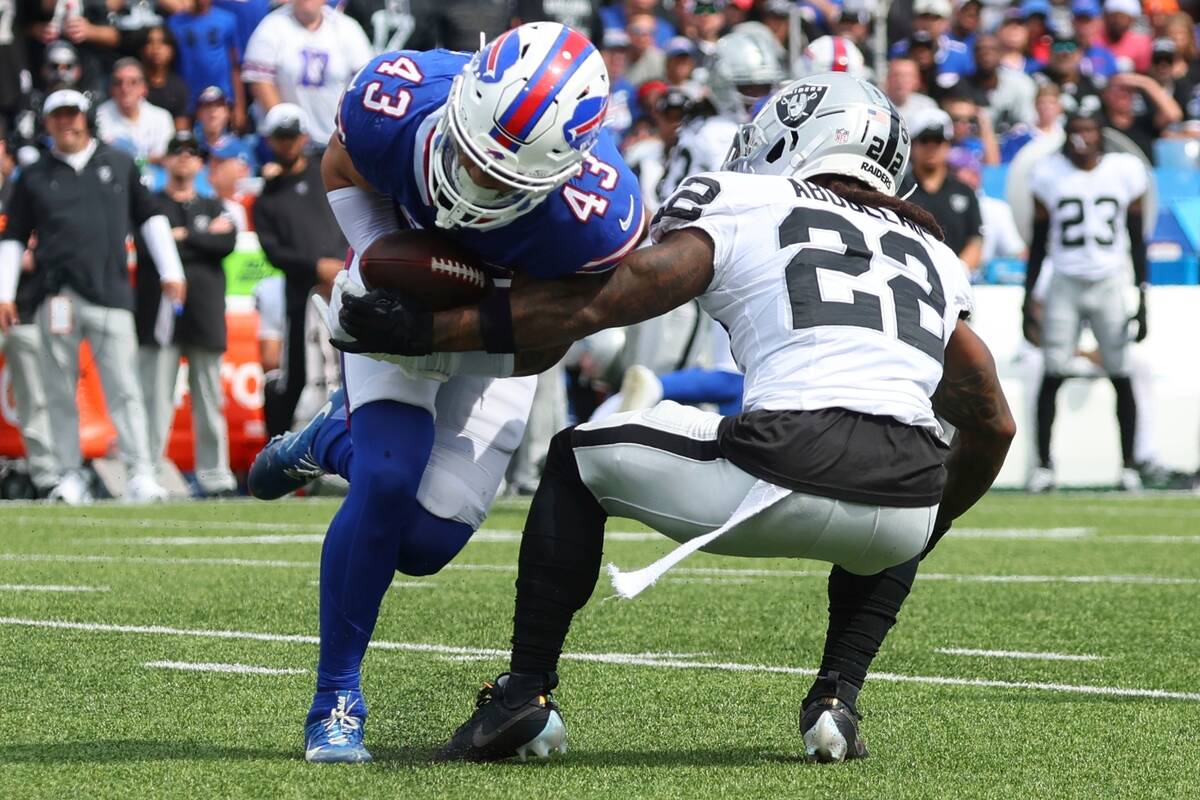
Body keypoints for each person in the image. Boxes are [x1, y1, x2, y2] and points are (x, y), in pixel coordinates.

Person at [330, 74, 1014, 763]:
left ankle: (524, 694)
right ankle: (837, 701)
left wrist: (432, 329)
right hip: (903, 501)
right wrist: (927, 527)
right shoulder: (934, 251)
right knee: (903, 482)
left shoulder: (750, 198)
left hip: (783, 461)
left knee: (574, 457)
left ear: (802, 135)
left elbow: (607, 302)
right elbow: (994, 424)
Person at [247, 22, 644, 763]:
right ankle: (336, 698)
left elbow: (553, 337)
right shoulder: (397, 97)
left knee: (424, 546)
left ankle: (327, 440)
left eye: (502, 179)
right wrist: (380, 262)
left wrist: (452, 322)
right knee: (389, 480)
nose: (474, 182)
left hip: (503, 339)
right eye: (466, 154)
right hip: (395, 291)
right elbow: (340, 164)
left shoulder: (598, 213)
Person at [0, 90, 184, 503]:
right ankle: (68, 474)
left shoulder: (118, 162)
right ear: (47, 123)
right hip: (57, 295)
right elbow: (12, 236)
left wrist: (172, 270)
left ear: (86, 118)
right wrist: (4, 292)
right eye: (58, 116)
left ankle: (140, 472)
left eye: (73, 115)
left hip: (110, 292)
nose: (67, 123)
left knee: (125, 387)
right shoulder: (34, 175)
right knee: (58, 389)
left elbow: (150, 216)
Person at [1022, 109, 1148, 492]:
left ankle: (1129, 465)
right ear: (1066, 134)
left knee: (1121, 371)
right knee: (1053, 369)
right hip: (1065, 281)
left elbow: (1137, 237)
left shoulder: (1124, 170)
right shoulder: (1048, 173)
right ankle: (1043, 465)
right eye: (1076, 130)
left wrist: (1143, 294)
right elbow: (1039, 242)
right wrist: (1027, 298)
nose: (1083, 138)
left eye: (1090, 130)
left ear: (1101, 133)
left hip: (1110, 280)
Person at [134, 131, 238, 497]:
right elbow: (147, 249)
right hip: (159, 311)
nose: (183, 156)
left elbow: (226, 242)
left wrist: (181, 237)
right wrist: (200, 236)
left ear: (200, 162)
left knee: (209, 397)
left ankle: (215, 475)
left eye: (191, 151)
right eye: (176, 150)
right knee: (155, 396)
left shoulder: (213, 205)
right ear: (165, 159)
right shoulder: (150, 203)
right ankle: (147, 471)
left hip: (205, 311)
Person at [251, 104, 346, 436]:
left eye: (292, 136)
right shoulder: (267, 198)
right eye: (280, 138)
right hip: (300, 295)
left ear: (304, 136)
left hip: (346, 286)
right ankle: (279, 452)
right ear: (270, 141)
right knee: (296, 375)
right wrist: (317, 267)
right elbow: (274, 253)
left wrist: (342, 265)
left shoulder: (327, 173)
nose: (287, 144)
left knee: (351, 370)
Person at [0, 136, 57, 497]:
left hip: (20, 308)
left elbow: (49, 245)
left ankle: (47, 474)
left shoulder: (24, 193)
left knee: (34, 394)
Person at [242, 0, 373, 151]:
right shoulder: (272, 26)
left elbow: (363, 83)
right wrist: (288, 126)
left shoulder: (347, 28)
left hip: (336, 141)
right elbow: (260, 81)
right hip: (287, 143)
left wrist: (348, 130)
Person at [907, 108, 983, 276]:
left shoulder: (964, 192)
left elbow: (976, 240)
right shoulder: (899, 191)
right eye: (925, 140)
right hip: (910, 279)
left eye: (938, 140)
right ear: (913, 144)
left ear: (948, 144)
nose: (932, 147)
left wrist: (958, 272)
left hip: (955, 280)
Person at [167, 0, 245, 125]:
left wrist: (240, 106)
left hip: (222, 99)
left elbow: (235, 66)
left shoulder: (227, 20)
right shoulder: (174, 23)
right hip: (188, 100)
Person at [95, 58, 175, 163]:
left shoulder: (162, 117)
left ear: (144, 88)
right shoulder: (98, 116)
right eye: (118, 82)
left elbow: (165, 158)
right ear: (112, 89)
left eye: (133, 82)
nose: (125, 88)